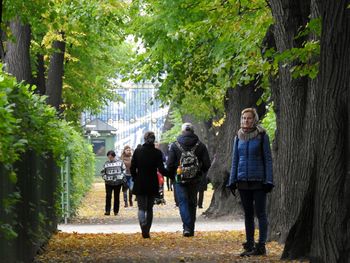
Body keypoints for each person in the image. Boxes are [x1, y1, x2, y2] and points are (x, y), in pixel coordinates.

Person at [227, 108, 274, 256]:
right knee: (247, 214)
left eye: (248, 118)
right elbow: (235, 160)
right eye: (243, 118)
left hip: (259, 181)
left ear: (254, 120)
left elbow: (268, 159)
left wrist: (269, 180)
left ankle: (261, 245)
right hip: (242, 181)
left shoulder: (262, 136)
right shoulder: (238, 137)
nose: (245, 121)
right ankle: (249, 244)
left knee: (260, 213)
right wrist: (232, 180)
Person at [167, 123, 211, 237]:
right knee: (192, 203)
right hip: (195, 179)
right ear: (193, 131)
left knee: (183, 203)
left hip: (179, 178)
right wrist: (200, 172)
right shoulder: (200, 145)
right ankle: (190, 229)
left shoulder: (175, 145)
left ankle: (187, 227)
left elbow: (170, 164)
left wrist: (173, 175)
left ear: (182, 132)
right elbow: (207, 164)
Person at [130, 131, 168, 238]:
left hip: (140, 181)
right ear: (153, 140)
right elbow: (161, 169)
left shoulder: (138, 151)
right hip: (152, 182)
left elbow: (133, 167)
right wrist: (170, 173)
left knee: (141, 207)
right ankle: (147, 229)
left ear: (144, 139)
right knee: (150, 207)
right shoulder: (157, 153)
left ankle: (143, 225)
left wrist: (134, 177)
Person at [101, 150, 126, 216]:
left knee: (116, 196)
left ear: (114, 156)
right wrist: (105, 178)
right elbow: (103, 172)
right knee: (108, 196)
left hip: (118, 182)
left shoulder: (120, 162)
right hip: (108, 183)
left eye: (111, 157)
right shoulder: (106, 163)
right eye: (108, 157)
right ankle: (107, 211)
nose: (109, 158)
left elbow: (124, 170)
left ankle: (116, 211)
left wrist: (121, 176)